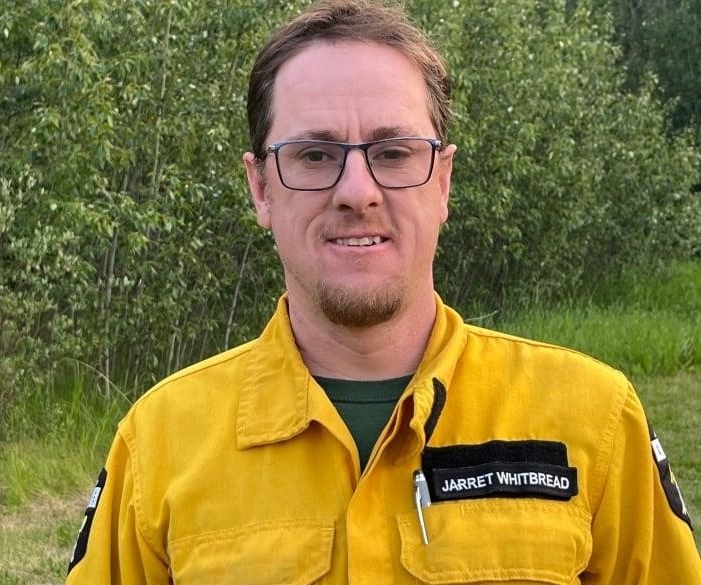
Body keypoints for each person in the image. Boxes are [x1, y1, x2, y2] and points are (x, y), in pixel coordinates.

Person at [65, 1, 700, 583]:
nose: (357, 191)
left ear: (443, 182)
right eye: (314, 156)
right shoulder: (158, 444)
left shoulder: (594, 418)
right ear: (261, 188)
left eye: (393, 153)